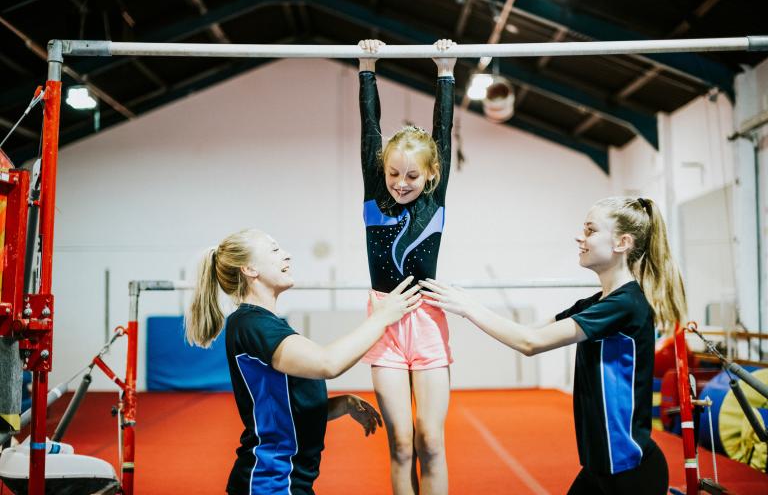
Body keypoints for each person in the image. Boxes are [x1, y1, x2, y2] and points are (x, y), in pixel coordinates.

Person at [420, 197, 684, 495]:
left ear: (622, 242)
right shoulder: (596, 304)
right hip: (600, 468)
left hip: (629, 471)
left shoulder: (625, 304)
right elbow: (528, 332)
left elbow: (530, 343)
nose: (579, 237)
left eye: (590, 230)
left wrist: (467, 306)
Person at [186, 229, 421, 495]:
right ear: (250, 269)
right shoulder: (254, 325)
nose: (286, 255)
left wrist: (339, 405)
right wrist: (381, 319)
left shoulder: (260, 323)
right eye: (274, 250)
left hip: (287, 479)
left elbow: (282, 407)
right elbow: (328, 363)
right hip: (270, 482)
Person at [357, 38, 456, 494]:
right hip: (385, 321)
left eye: (412, 176)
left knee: (430, 440)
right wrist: (366, 66)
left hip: (427, 321)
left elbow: (444, 128)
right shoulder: (376, 190)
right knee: (400, 442)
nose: (400, 183)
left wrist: (445, 71)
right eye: (394, 173)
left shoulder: (435, 197)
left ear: (431, 175)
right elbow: (369, 126)